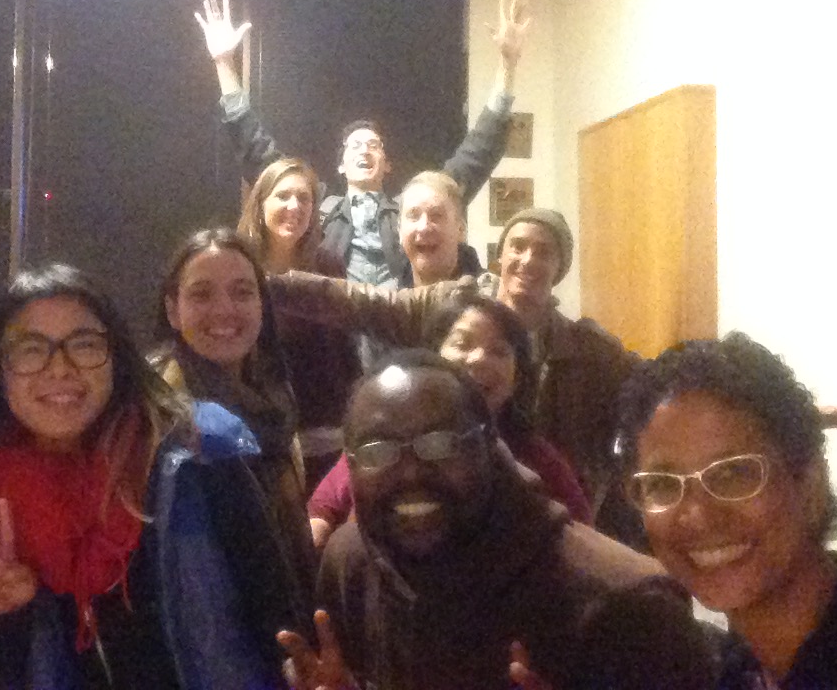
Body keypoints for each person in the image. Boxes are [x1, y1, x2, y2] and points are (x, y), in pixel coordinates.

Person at [0, 263, 303, 689]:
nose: (60, 368)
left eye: (84, 344)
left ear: (117, 357)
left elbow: (277, 616)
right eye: (31, 349)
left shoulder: (197, 459)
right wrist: (7, 618)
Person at [278, 350, 716, 690]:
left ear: (490, 446)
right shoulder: (351, 563)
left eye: (441, 443)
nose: (410, 474)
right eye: (378, 451)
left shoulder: (627, 605)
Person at [266, 206, 643, 540]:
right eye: (517, 246)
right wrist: (264, 286)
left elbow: (650, 393)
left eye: (544, 252)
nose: (527, 260)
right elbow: (358, 301)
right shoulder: (450, 302)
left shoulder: (587, 351)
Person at [620, 332, 837, 689]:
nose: (698, 514)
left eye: (734, 473)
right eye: (663, 484)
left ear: (810, 483)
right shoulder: (738, 668)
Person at [195, 0, 529, 287]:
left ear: (387, 165)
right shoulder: (317, 209)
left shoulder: (412, 212)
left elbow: (474, 158)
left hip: (399, 326)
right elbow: (257, 151)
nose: (364, 150)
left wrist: (508, 65)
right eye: (354, 146)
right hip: (335, 331)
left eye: (374, 145)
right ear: (341, 165)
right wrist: (224, 63)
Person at [307, 296, 591, 547]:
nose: (478, 359)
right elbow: (321, 512)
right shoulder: (380, 443)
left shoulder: (539, 460)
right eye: (462, 343)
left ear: (518, 377)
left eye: (499, 351)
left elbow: (584, 537)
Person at [152, 228, 317, 596]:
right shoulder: (161, 420)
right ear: (173, 310)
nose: (224, 310)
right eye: (201, 294)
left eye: (242, 292)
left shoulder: (275, 399)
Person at [237, 158, 362, 486]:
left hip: (330, 438)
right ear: (261, 203)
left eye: (304, 198)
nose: (294, 206)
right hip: (263, 443)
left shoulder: (328, 265)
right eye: (283, 196)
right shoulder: (239, 267)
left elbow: (346, 348)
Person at [397, 170, 483, 287]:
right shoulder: (384, 297)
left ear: (460, 229)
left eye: (436, 215)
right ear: (399, 230)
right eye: (414, 216)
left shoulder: (493, 296)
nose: (424, 227)